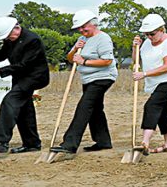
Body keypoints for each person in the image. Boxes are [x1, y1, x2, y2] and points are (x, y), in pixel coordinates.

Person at [50, 10, 117, 155]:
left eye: (83, 27)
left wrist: (84, 61)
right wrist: (75, 49)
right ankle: (103, 141)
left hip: (103, 77)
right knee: (95, 109)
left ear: (93, 24)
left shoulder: (103, 39)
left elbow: (107, 61)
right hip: (88, 78)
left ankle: (69, 144)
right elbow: (70, 58)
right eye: (79, 28)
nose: (81, 30)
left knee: (84, 106)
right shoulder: (82, 39)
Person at [0, 16, 50, 154]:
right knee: (24, 109)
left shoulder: (32, 40)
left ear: (16, 28)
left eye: (8, 36)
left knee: (10, 101)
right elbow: (1, 56)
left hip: (35, 76)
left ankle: (0, 141)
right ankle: (32, 143)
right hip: (21, 78)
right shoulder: (10, 39)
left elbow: (25, 65)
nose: (8, 39)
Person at [132, 13, 167, 153]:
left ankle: (144, 142)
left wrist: (145, 74)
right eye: (146, 34)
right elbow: (137, 60)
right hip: (155, 83)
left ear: (161, 30)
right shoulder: (147, 43)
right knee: (161, 110)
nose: (149, 37)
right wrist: (135, 48)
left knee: (152, 105)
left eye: (152, 34)